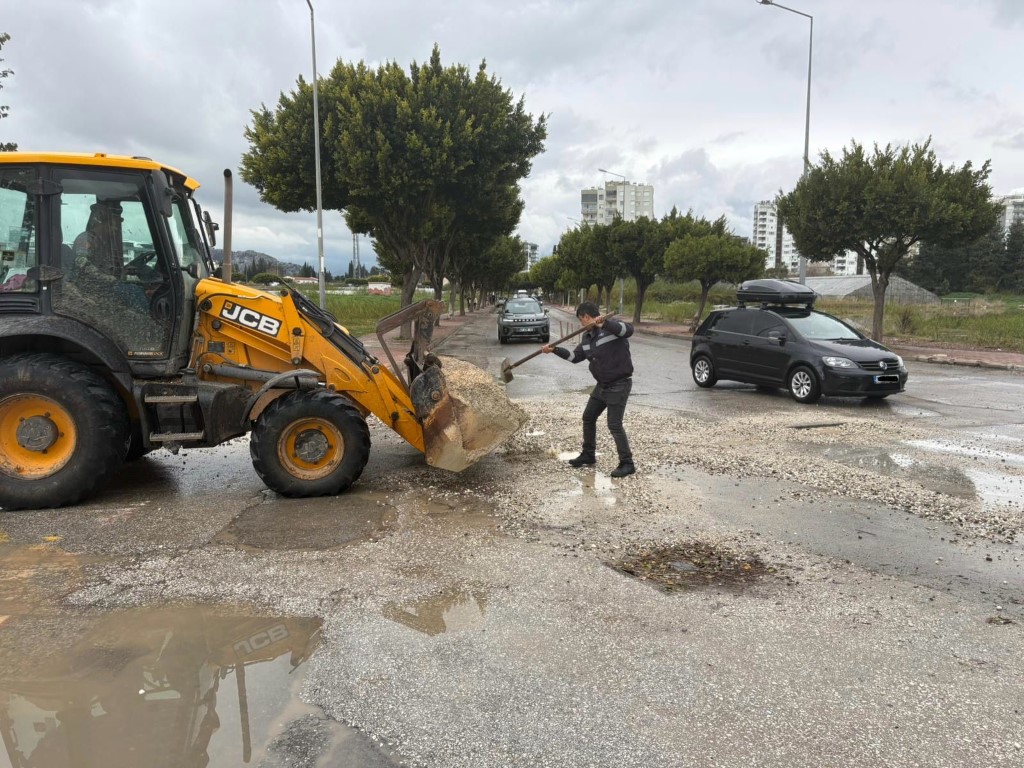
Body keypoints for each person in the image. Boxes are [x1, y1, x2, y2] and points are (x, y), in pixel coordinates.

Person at [541, 301, 636, 477]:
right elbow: (575, 357)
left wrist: (605, 323)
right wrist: (555, 350)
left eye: (580, 320)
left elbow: (628, 330)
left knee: (614, 425)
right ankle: (588, 454)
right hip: (602, 386)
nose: (581, 324)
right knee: (588, 417)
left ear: (586, 317)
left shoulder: (611, 330)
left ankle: (627, 463)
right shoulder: (587, 338)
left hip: (618, 384)